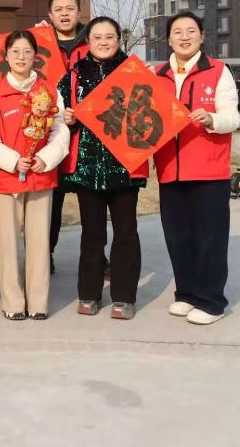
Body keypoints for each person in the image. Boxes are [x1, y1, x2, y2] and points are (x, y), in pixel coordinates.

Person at [59, 18, 148, 320]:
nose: (104, 42)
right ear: (87, 42)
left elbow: (149, 113)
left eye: (109, 36)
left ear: (119, 39)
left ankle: (124, 296)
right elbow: (55, 115)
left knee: (126, 232)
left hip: (125, 166)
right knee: (91, 234)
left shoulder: (135, 72)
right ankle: (89, 293)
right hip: (87, 168)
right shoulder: (73, 76)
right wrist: (67, 119)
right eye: (97, 37)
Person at [154, 11, 239, 325]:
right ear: (168, 39)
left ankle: (212, 301)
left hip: (208, 170)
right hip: (170, 169)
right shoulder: (157, 74)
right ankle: (186, 293)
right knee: (178, 236)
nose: (184, 37)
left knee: (209, 238)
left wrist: (212, 119)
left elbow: (233, 117)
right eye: (177, 31)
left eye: (191, 31)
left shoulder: (218, 71)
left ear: (202, 36)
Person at [0, 30, 69, 321]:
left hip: (40, 177)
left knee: (39, 241)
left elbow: (60, 130)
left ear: (36, 56)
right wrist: (12, 161)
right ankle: (12, 301)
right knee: (7, 243)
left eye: (27, 52)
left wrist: (46, 158)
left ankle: (39, 302)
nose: (21, 57)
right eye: (15, 52)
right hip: (6, 179)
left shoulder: (49, 91)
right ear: (6, 56)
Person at [43, 0, 89, 273]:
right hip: (50, 136)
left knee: (92, 204)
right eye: (58, 9)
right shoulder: (40, 45)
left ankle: (96, 258)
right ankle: (45, 254)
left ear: (78, 12)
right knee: (52, 204)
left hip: (88, 137)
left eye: (69, 8)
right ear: (50, 15)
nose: (64, 13)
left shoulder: (93, 40)